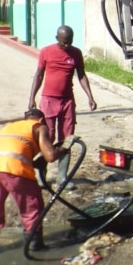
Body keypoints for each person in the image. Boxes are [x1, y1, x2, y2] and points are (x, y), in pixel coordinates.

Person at [0, 109, 73, 254]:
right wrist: (64, 148)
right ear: (41, 120)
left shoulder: (10, 126)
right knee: (31, 207)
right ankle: (35, 247)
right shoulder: (39, 127)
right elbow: (50, 156)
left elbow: (18, 149)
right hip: (14, 170)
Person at [29, 25, 97, 190]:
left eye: (69, 42)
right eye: (63, 43)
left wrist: (90, 96)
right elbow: (39, 75)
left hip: (67, 102)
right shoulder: (46, 51)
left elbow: (81, 75)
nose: (66, 46)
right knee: (47, 138)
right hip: (49, 101)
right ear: (56, 38)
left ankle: (62, 178)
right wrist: (32, 98)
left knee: (67, 139)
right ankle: (41, 176)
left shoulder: (76, 53)